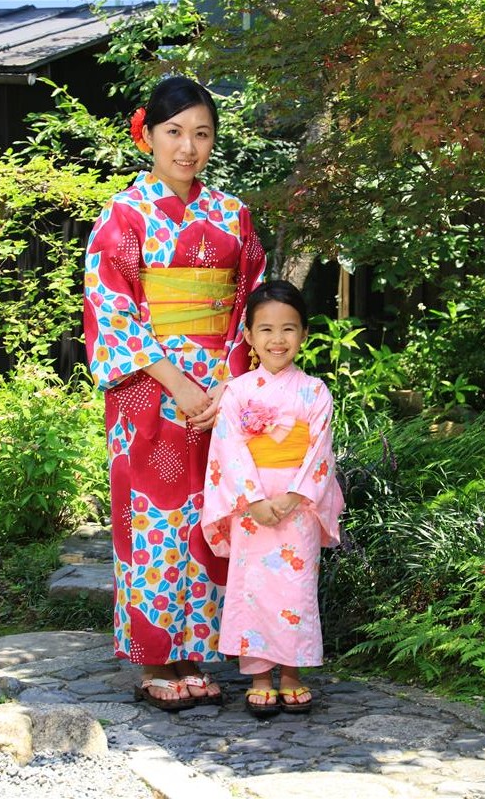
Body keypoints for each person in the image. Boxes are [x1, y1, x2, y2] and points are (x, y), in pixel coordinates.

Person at [83, 76, 265, 710]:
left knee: (212, 518)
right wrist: (179, 384)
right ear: (148, 136)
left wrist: (231, 380)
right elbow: (113, 312)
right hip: (148, 389)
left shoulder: (232, 214)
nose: (188, 147)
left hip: (220, 389)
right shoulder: (123, 215)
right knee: (154, 520)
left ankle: (198, 652)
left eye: (202, 133)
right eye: (174, 132)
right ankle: (157, 658)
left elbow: (250, 305)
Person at [201, 280, 344, 717]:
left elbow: (320, 451)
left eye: (288, 328)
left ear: (304, 333)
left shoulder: (315, 391)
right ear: (248, 335)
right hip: (251, 508)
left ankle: (293, 673)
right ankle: (260, 677)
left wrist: (295, 496)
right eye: (265, 329)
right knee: (252, 590)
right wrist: (254, 499)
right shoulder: (237, 391)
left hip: (298, 507)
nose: (277, 339)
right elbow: (228, 449)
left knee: (296, 590)